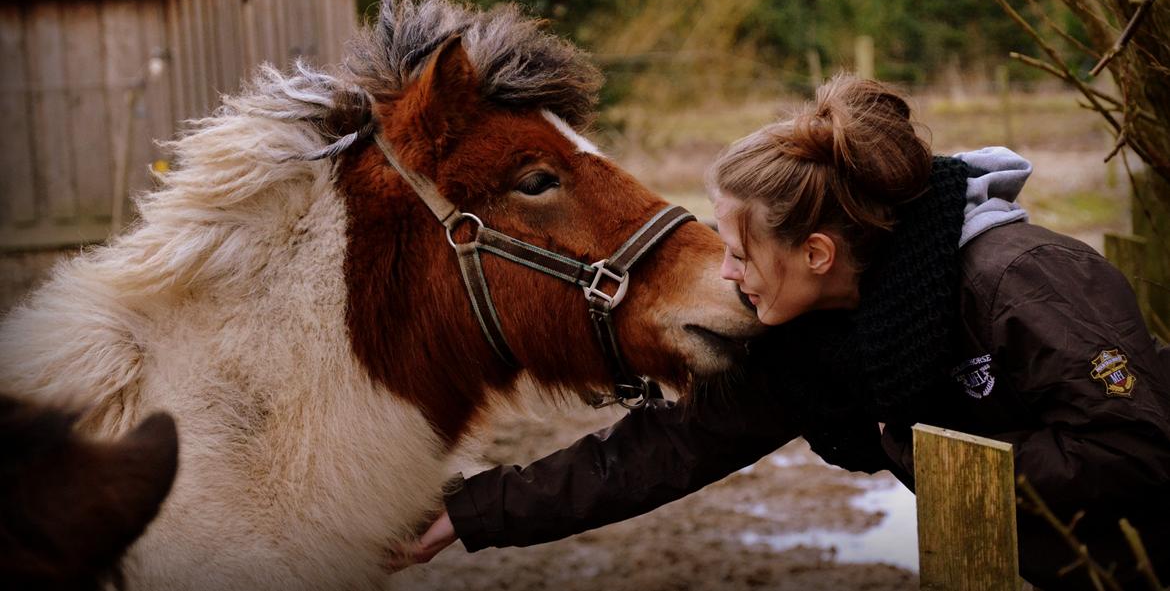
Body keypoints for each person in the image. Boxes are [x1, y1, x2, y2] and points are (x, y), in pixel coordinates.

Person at [400, 74, 1170, 590]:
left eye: (738, 253)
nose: (727, 274)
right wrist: (469, 513)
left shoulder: (1023, 278)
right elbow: (666, 449)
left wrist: (930, 451)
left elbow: (1137, 446)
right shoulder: (813, 336)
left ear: (817, 253)